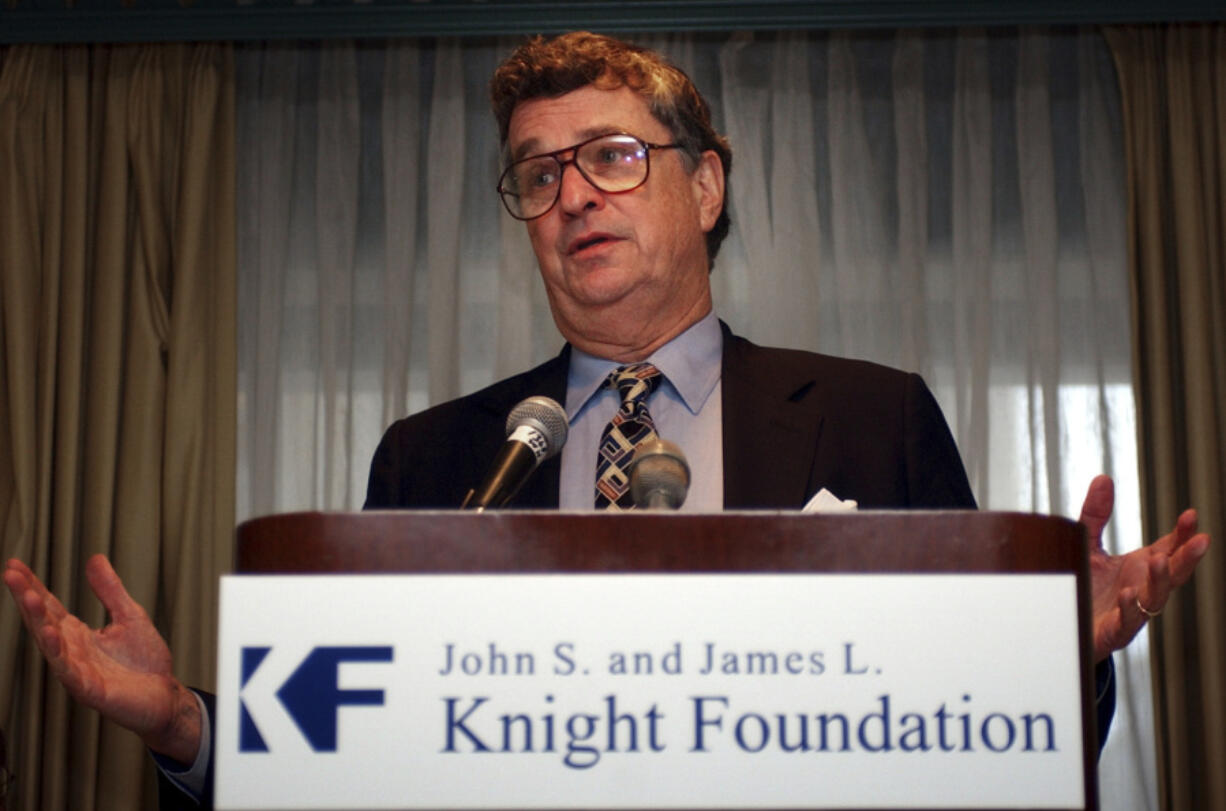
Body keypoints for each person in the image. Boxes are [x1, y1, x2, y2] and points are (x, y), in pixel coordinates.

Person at [3, 32, 1212, 810]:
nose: (572, 192)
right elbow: (349, 756)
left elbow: (969, 735)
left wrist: (1061, 660)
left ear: (704, 183)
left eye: (613, 156)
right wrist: (189, 727)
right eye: (537, 173)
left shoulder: (871, 415)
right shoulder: (431, 459)